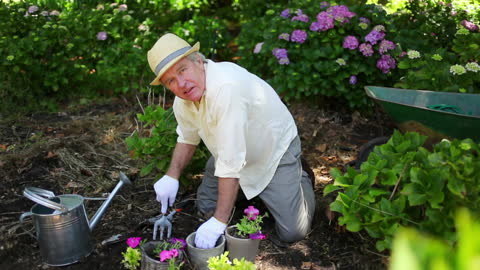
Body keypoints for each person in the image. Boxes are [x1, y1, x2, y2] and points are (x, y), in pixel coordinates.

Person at [147, 33, 315, 249]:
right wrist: (171, 176)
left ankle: (299, 177)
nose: (181, 83)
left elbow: (231, 161)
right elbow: (187, 137)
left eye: (182, 70)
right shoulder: (184, 100)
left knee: (293, 231)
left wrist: (219, 222)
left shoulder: (227, 88)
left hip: (272, 152)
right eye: (170, 80)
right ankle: (248, 194)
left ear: (199, 61)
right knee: (205, 209)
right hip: (229, 153)